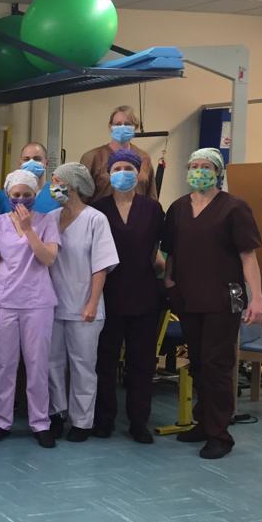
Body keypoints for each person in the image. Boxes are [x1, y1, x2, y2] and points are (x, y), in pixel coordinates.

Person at [164, 147, 262, 459]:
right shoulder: (179, 208)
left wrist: (258, 298)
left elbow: (248, 255)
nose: (198, 171)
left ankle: (219, 434)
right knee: (196, 362)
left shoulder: (234, 208)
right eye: (193, 165)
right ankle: (203, 421)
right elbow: (172, 253)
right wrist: (169, 283)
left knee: (217, 365)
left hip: (225, 297)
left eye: (205, 166)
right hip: (188, 297)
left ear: (217, 171)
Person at [0, 169, 61, 447]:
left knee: (37, 365)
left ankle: (40, 422)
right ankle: (2, 420)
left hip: (38, 302)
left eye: (27, 195)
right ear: (7, 195)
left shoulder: (46, 222)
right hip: (4, 302)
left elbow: (48, 258)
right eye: (16, 195)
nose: (22, 199)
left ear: (35, 195)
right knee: (4, 364)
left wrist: (28, 231)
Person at [92, 149, 165, 442]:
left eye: (129, 167)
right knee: (104, 361)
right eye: (117, 167)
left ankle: (138, 421)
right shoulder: (98, 209)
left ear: (139, 173)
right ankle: (104, 419)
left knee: (142, 362)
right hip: (107, 294)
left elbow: (158, 251)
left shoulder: (152, 209)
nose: (123, 172)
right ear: (109, 174)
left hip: (145, 294)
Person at [46, 163, 119, 442]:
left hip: (84, 307)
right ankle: (55, 414)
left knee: (83, 365)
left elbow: (101, 266)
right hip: (52, 304)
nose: (53, 187)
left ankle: (82, 421)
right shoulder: (50, 218)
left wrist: (92, 302)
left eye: (57, 181)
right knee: (52, 363)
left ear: (73, 185)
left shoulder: (95, 219)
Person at [80, 105, 159, 202]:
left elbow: (151, 196)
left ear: (135, 127)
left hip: (137, 215)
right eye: (117, 124)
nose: (122, 127)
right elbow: (80, 199)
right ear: (110, 127)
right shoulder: (92, 158)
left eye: (127, 124)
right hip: (101, 215)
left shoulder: (143, 157)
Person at [0, 142, 60, 215]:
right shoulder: (4, 195)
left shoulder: (57, 193)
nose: (31, 162)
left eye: (37, 159)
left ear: (46, 163)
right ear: (20, 163)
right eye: (26, 159)